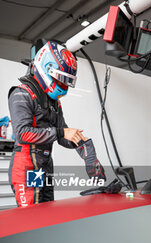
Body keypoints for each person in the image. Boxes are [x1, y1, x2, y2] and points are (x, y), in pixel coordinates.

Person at [8, 40, 105, 207]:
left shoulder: (54, 102)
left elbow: (63, 135)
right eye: (59, 80)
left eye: (65, 82)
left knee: (47, 215)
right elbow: (22, 134)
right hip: (26, 166)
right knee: (32, 220)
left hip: (45, 165)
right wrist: (61, 132)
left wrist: (84, 146)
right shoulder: (21, 93)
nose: (62, 86)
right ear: (46, 69)